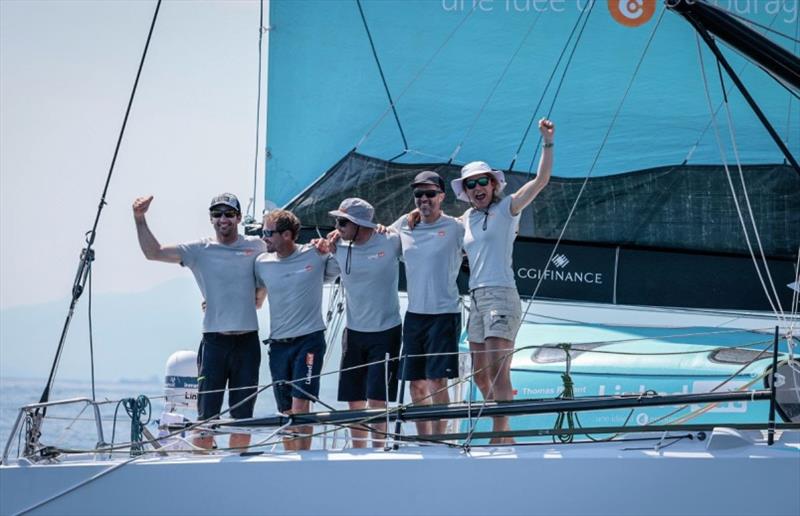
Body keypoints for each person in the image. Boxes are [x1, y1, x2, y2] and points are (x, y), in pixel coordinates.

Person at [132, 193, 266, 450]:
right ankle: (203, 465)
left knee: (243, 417)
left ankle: (238, 468)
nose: (223, 219)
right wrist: (139, 218)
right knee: (206, 418)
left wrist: (260, 295)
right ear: (211, 219)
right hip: (215, 343)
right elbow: (153, 253)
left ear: (238, 217)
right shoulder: (199, 251)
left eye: (228, 213)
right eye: (217, 214)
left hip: (247, 343)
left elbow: (281, 260)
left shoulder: (257, 246)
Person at [452, 118, 555, 444]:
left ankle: (501, 437)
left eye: (482, 181)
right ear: (466, 192)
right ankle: (505, 425)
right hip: (476, 299)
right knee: (481, 376)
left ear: (494, 184)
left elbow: (540, 180)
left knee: (497, 373)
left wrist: (547, 142)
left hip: (501, 294)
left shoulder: (508, 208)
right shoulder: (466, 218)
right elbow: (430, 227)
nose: (477, 188)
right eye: (470, 184)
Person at [255, 209, 337, 451]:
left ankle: (303, 460)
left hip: (309, 341)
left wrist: (331, 245)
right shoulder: (262, 263)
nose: (264, 237)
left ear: (288, 235)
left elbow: (346, 264)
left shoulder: (314, 254)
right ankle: (292, 460)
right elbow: (253, 296)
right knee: (286, 409)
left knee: (301, 404)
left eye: (268, 232)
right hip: (278, 345)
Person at [323, 198, 403, 448]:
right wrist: (323, 247)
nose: (338, 226)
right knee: (354, 399)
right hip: (354, 331)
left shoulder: (390, 240)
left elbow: (414, 227)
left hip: (386, 330)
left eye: (343, 222)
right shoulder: (339, 246)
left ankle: (378, 451)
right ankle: (358, 453)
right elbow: (322, 273)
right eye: (337, 221)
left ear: (359, 223)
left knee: (378, 399)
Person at [391, 171, 464, 437]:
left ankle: (439, 439)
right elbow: (379, 238)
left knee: (437, 381)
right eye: (419, 194)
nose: (424, 199)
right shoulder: (404, 225)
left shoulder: (456, 227)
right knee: (416, 385)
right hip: (414, 315)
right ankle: (424, 441)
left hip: (444, 314)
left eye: (430, 194)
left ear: (442, 197)